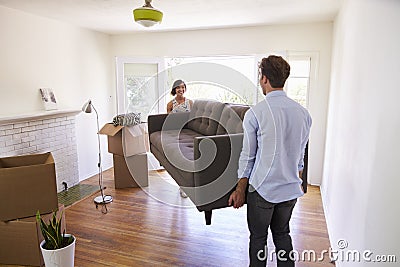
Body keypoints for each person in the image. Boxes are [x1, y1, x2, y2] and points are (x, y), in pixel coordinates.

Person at [228, 55, 312, 267]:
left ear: (264, 78)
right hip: (290, 190)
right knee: (282, 235)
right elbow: (300, 155)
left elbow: (248, 156)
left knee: (258, 239)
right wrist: (295, 178)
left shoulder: (256, 113)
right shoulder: (304, 114)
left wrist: (240, 190)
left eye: (260, 77)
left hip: (262, 190)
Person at [167, 79, 193, 198]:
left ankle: (186, 185)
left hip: (187, 131)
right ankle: (181, 185)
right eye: (178, 87)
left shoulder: (190, 103)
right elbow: (168, 121)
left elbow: (193, 120)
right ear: (174, 90)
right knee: (179, 158)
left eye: (182, 87)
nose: (180, 90)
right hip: (176, 132)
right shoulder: (170, 104)